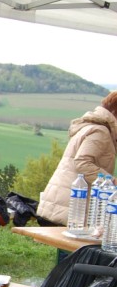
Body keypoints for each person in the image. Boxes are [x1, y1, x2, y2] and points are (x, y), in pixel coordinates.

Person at [37, 92, 117, 226]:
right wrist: (111, 182)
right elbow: (82, 162)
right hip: (71, 206)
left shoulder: (92, 127)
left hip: (62, 202)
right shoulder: (100, 132)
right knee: (72, 245)